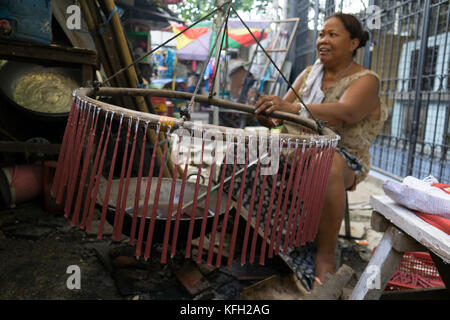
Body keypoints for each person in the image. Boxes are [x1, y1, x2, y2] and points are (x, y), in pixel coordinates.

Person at [253, 12, 388, 287]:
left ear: (353, 43)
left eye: (332, 34)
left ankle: (325, 256)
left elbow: (346, 113)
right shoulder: (309, 74)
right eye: (321, 34)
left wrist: (292, 108)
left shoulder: (366, 80)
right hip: (299, 149)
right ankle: (258, 238)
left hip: (344, 156)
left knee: (326, 162)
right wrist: (268, 114)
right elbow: (282, 115)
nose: (323, 40)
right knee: (246, 152)